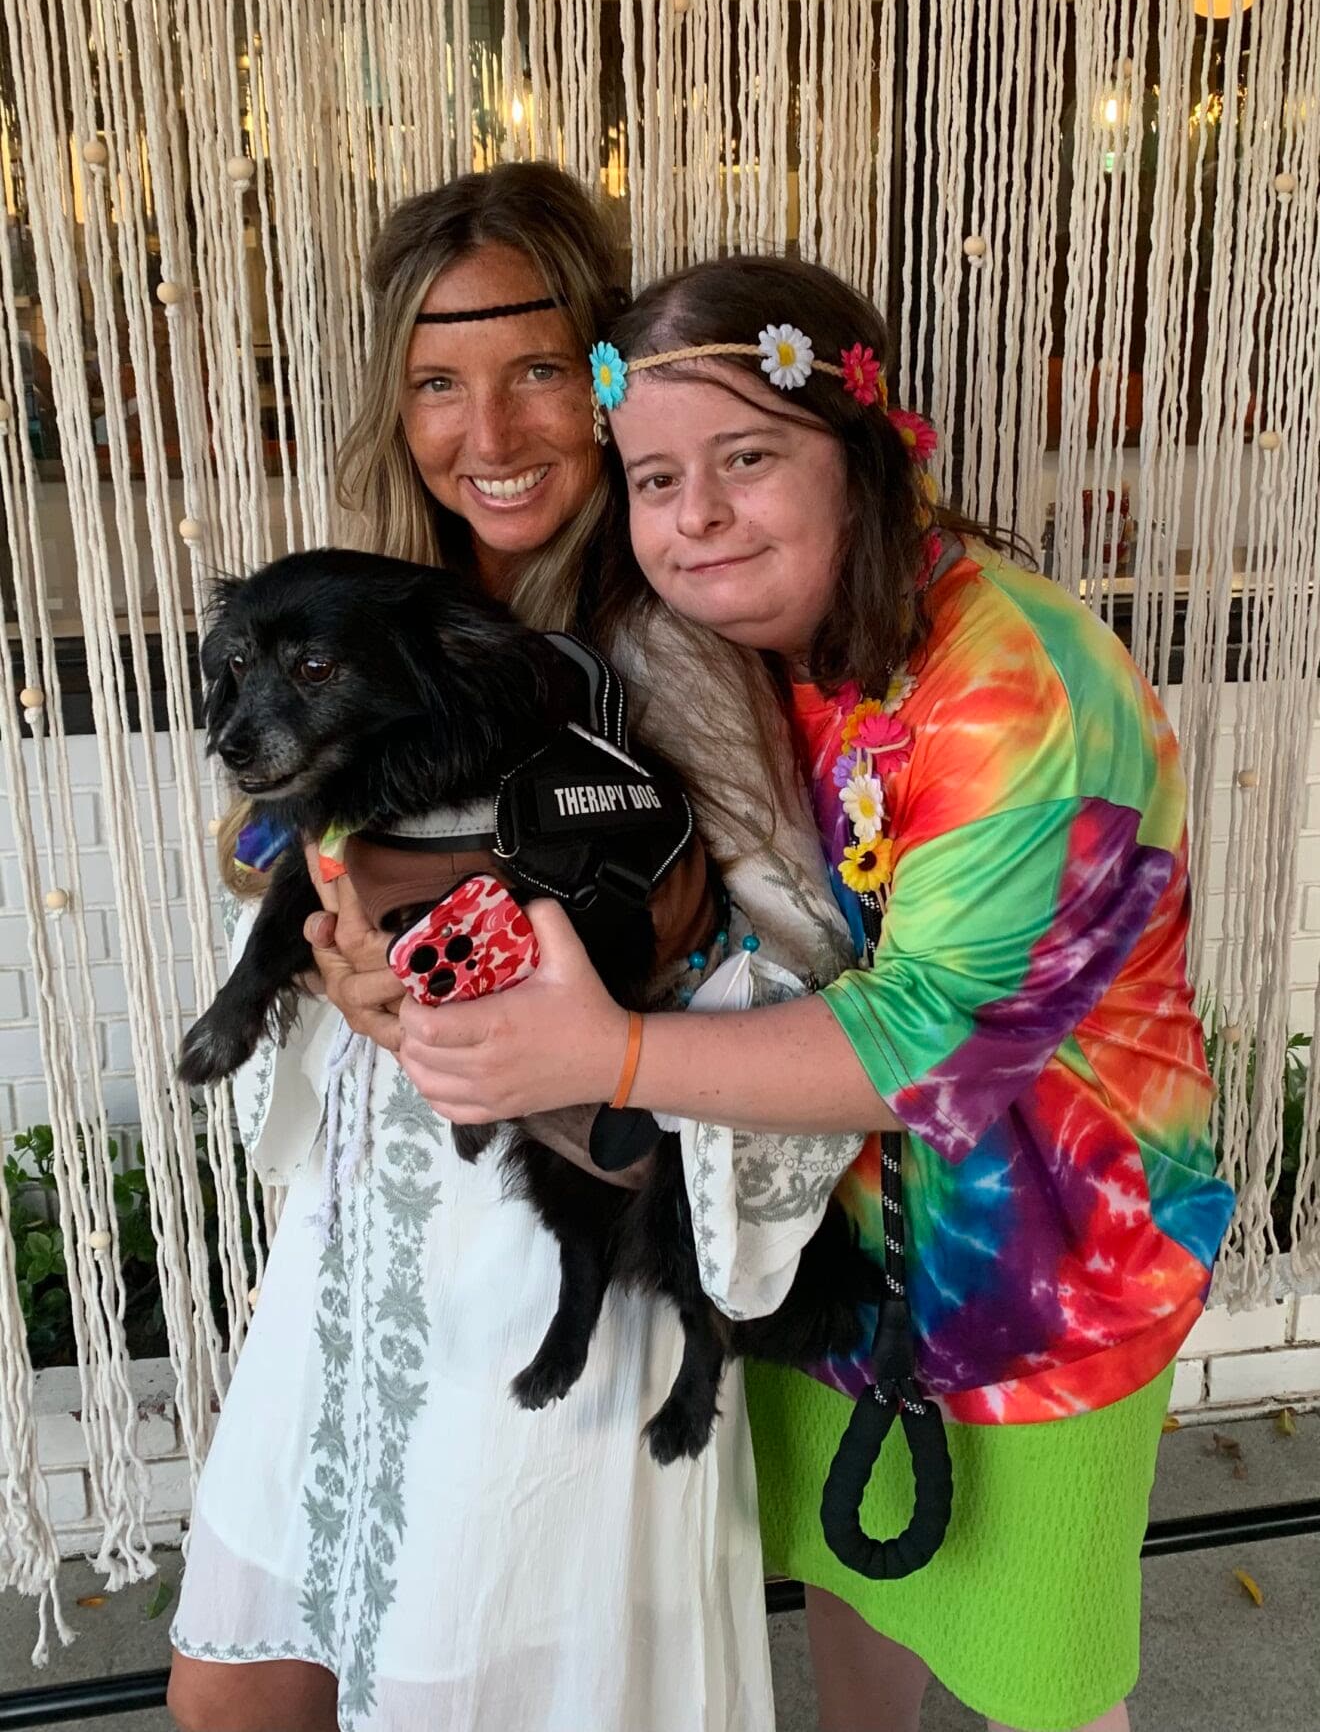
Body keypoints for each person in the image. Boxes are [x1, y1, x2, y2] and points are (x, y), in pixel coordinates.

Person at [396, 253, 1237, 1732]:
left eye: (748, 459)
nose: (697, 515)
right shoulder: (745, 656)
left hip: (1046, 1279)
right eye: (655, 480)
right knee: (862, 1637)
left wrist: (602, 1051)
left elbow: (923, 1040)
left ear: (863, 456)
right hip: (827, 1246)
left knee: (1046, 1689)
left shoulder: (1014, 682)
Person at [168, 171, 859, 1732]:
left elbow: (815, 954)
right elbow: (274, 832)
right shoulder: (372, 605)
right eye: (435, 381)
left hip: (560, 1250)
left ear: (607, 380)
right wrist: (328, 941)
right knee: (237, 1688)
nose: (488, 433)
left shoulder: (665, 644)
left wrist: (619, 1010)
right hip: (361, 1233)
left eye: (537, 369)